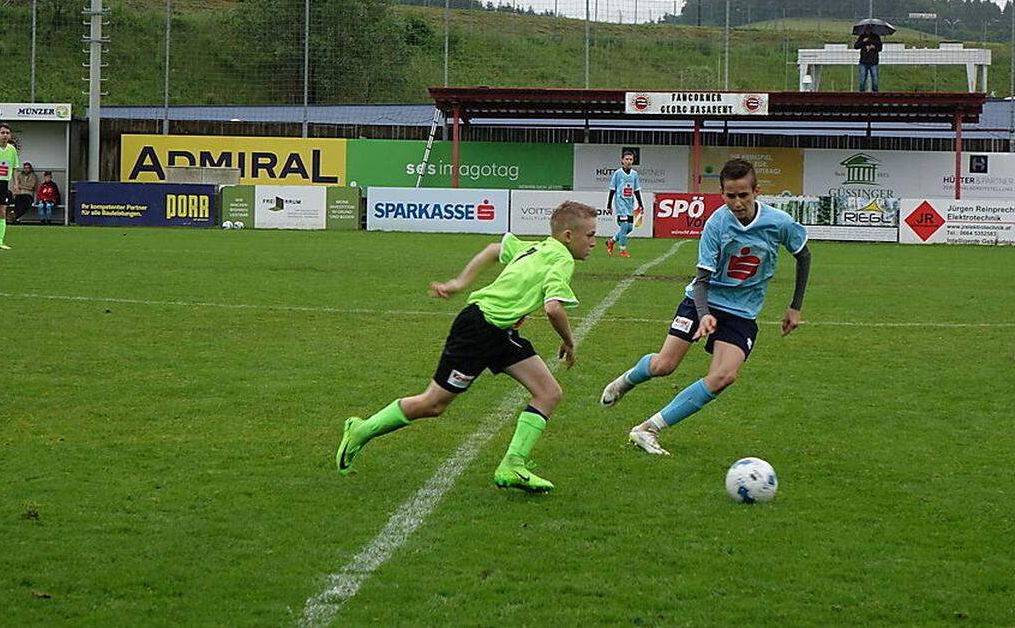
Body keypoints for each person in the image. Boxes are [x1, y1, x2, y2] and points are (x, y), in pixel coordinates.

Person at [335, 201, 598, 493]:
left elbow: (492, 249)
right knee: (433, 404)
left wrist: (459, 283)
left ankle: (513, 464)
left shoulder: (534, 247)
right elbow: (553, 309)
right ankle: (361, 429)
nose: (595, 242)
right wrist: (569, 342)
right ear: (568, 236)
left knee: (549, 393)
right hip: (478, 330)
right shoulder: (562, 260)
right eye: (590, 235)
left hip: (500, 331)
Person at [599, 158, 812, 456]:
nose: (737, 203)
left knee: (724, 376)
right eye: (730, 195)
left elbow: (804, 256)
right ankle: (626, 380)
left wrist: (795, 307)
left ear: (756, 192)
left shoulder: (779, 223)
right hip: (703, 300)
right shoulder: (717, 223)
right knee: (664, 366)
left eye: (743, 195)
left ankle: (647, 429)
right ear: (722, 193)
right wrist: (704, 315)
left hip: (742, 312)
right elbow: (701, 282)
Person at [605, 150, 644, 257]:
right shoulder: (617, 174)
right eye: (627, 159)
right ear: (622, 161)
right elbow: (612, 190)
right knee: (624, 226)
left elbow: (636, 190)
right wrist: (609, 205)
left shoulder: (634, 174)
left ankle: (611, 241)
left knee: (630, 228)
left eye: (631, 159)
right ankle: (623, 250)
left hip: (629, 204)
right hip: (620, 204)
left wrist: (641, 204)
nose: (629, 161)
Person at [854, 24, 882, 92]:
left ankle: (875, 94)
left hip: (873, 62)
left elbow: (880, 48)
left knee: (875, 81)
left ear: (871, 29)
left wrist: (873, 47)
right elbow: (856, 46)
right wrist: (863, 41)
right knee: (862, 81)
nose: (867, 30)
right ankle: (862, 95)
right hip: (863, 62)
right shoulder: (862, 37)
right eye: (866, 29)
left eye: (869, 29)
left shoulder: (876, 37)